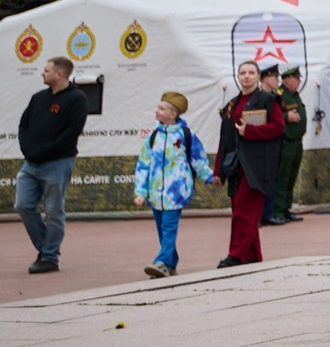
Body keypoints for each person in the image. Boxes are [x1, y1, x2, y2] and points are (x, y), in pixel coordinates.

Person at [15, 56, 89, 275]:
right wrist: (27, 149)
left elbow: (72, 132)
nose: (42, 73)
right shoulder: (38, 98)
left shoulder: (77, 99)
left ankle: (49, 257)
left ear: (59, 74)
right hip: (31, 163)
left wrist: (45, 151)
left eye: (46, 70)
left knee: (54, 211)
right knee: (23, 204)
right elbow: (23, 125)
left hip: (58, 163)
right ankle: (45, 249)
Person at [131, 91, 208, 278]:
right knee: (162, 230)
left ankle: (162, 262)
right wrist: (140, 191)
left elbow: (199, 160)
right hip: (155, 194)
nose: (157, 111)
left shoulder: (186, 135)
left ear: (173, 114)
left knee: (168, 228)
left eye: (161, 108)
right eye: (158, 107)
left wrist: (211, 177)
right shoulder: (153, 136)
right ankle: (171, 263)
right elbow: (143, 165)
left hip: (176, 193)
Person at [218, 61, 284, 267]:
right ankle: (252, 256)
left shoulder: (267, 100)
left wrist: (251, 132)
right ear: (238, 76)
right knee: (241, 208)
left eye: (251, 72)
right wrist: (218, 170)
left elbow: (279, 127)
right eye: (242, 73)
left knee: (244, 211)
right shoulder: (232, 103)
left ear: (258, 77)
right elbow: (225, 139)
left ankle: (236, 255)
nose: (246, 76)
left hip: (257, 165)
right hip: (236, 165)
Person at [267, 65, 308, 225]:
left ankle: (286, 209)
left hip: (297, 142)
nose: (298, 82)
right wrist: (286, 116)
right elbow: (271, 114)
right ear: (288, 79)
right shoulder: (280, 95)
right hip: (286, 142)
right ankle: (277, 211)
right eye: (296, 79)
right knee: (283, 178)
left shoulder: (294, 95)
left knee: (291, 177)